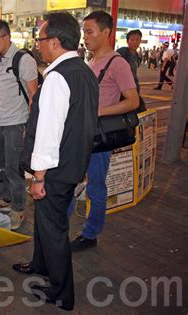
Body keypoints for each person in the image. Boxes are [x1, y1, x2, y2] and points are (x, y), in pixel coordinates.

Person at [12, 12, 99, 311]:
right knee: (46, 223)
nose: (38, 45)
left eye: (41, 38)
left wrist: (39, 178)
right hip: (73, 163)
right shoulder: (84, 71)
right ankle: (41, 264)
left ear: (56, 41)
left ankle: (62, 293)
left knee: (54, 229)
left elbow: (49, 132)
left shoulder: (58, 77)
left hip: (56, 169)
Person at [69, 11, 139, 251]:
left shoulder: (118, 63)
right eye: (84, 32)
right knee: (71, 180)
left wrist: (98, 112)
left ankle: (90, 234)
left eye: (90, 32)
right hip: (82, 134)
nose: (85, 37)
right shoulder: (91, 60)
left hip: (99, 138)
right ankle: (59, 227)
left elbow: (132, 101)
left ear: (107, 32)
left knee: (96, 186)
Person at [0, 19, 39, 230]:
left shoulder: (23, 60)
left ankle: (18, 208)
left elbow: (33, 95)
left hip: (16, 123)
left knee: (13, 168)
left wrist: (30, 126)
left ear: (6, 37)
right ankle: (5, 198)